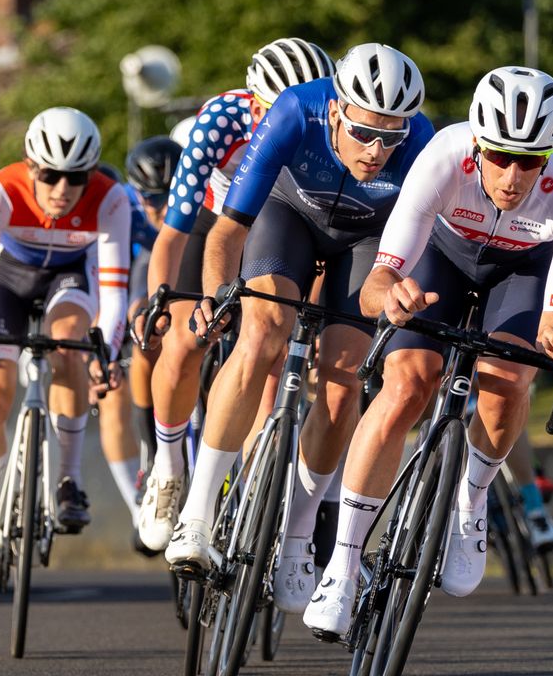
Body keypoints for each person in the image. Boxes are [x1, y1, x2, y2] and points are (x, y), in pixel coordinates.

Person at [304, 66, 553, 638]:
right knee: (407, 383)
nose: (513, 176)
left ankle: (471, 501)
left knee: (508, 378)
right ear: (476, 144)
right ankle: (342, 565)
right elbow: (378, 281)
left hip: (524, 268)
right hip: (441, 257)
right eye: (499, 156)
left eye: (531, 160)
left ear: (551, 157)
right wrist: (391, 296)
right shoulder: (443, 154)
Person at [165, 43, 435, 619]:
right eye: (365, 133)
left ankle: (296, 540)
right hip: (286, 217)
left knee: (341, 387)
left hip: (367, 244)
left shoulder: (421, 146)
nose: (376, 150)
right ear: (336, 112)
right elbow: (227, 229)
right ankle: (196, 515)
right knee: (263, 334)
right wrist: (217, 299)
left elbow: (412, 252)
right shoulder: (295, 111)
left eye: (391, 137)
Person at [135, 38, 336, 553]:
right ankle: (168, 462)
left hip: (282, 229)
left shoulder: (329, 122)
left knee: (271, 351)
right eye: (274, 110)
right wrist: (165, 298)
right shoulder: (221, 119)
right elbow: (175, 230)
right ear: (253, 103)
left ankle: (251, 497)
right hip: (216, 222)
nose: (291, 118)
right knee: (182, 339)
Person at [0, 106, 128, 592]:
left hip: (68, 280)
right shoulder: (0, 191)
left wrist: (106, 352)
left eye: (75, 178)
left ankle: (68, 481)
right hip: (5, 283)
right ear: (31, 166)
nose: (62, 190)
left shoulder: (111, 199)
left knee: (70, 348)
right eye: (50, 176)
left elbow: (114, 293)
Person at [92, 140, 178, 553]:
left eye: (165, 199)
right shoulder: (121, 206)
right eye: (149, 199)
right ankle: (138, 503)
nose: (157, 208)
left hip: (175, 272)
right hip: (126, 285)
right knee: (113, 394)